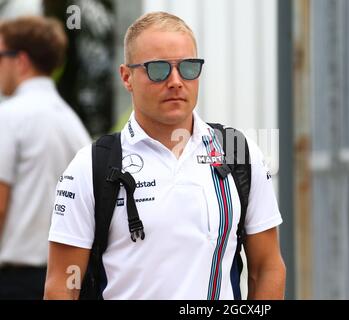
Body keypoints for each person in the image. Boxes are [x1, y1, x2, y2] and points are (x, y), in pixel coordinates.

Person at [44, 11, 285, 300]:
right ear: (126, 77)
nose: (175, 81)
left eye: (188, 68)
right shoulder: (91, 165)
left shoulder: (237, 150)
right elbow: (61, 285)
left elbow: (267, 268)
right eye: (158, 69)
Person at [0, 16, 91, 299]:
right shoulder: (73, 124)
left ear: (21, 60)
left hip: (14, 281)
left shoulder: (9, 116)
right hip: (64, 279)